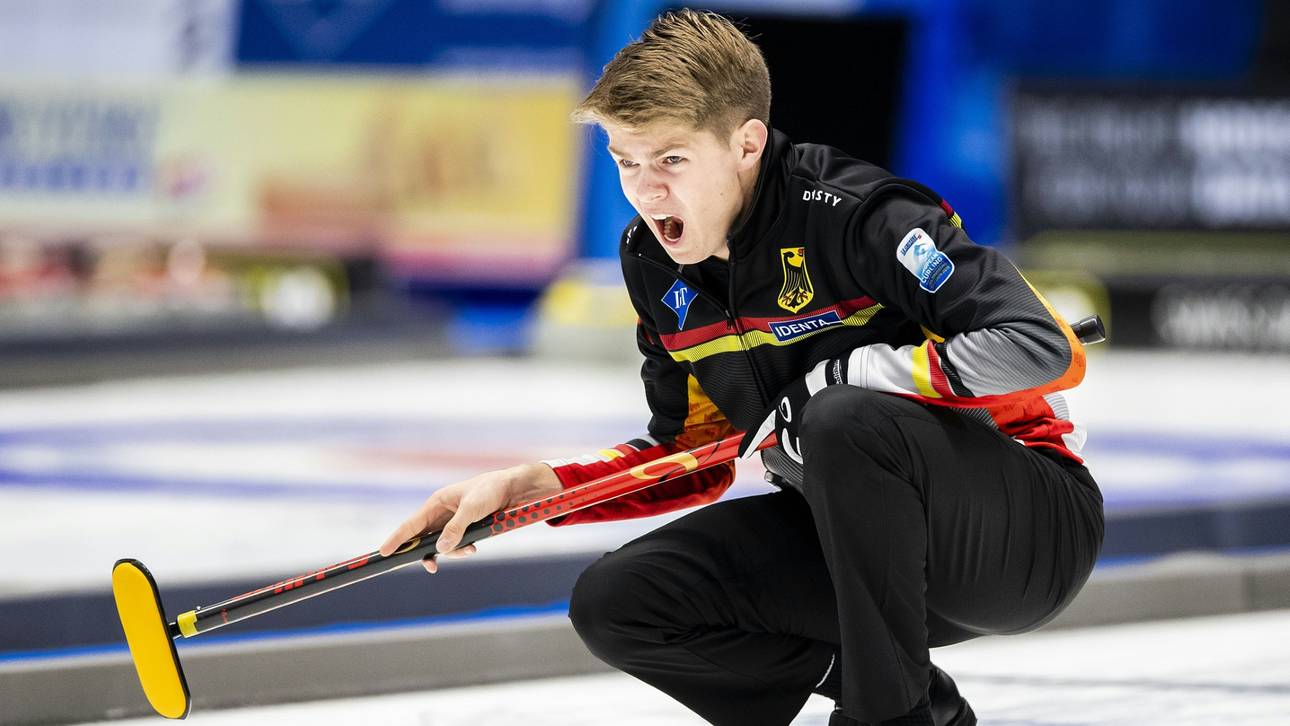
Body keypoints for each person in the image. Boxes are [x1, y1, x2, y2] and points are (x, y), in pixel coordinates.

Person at [380, 9, 1104, 726]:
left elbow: (1042, 346)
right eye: (625, 161)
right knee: (623, 599)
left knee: (843, 416)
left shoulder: (857, 216)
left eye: (670, 160)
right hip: (864, 546)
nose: (646, 190)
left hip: (1024, 531)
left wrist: (848, 377)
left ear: (746, 144)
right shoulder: (653, 263)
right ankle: (903, 694)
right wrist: (537, 487)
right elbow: (694, 454)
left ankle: (891, 716)